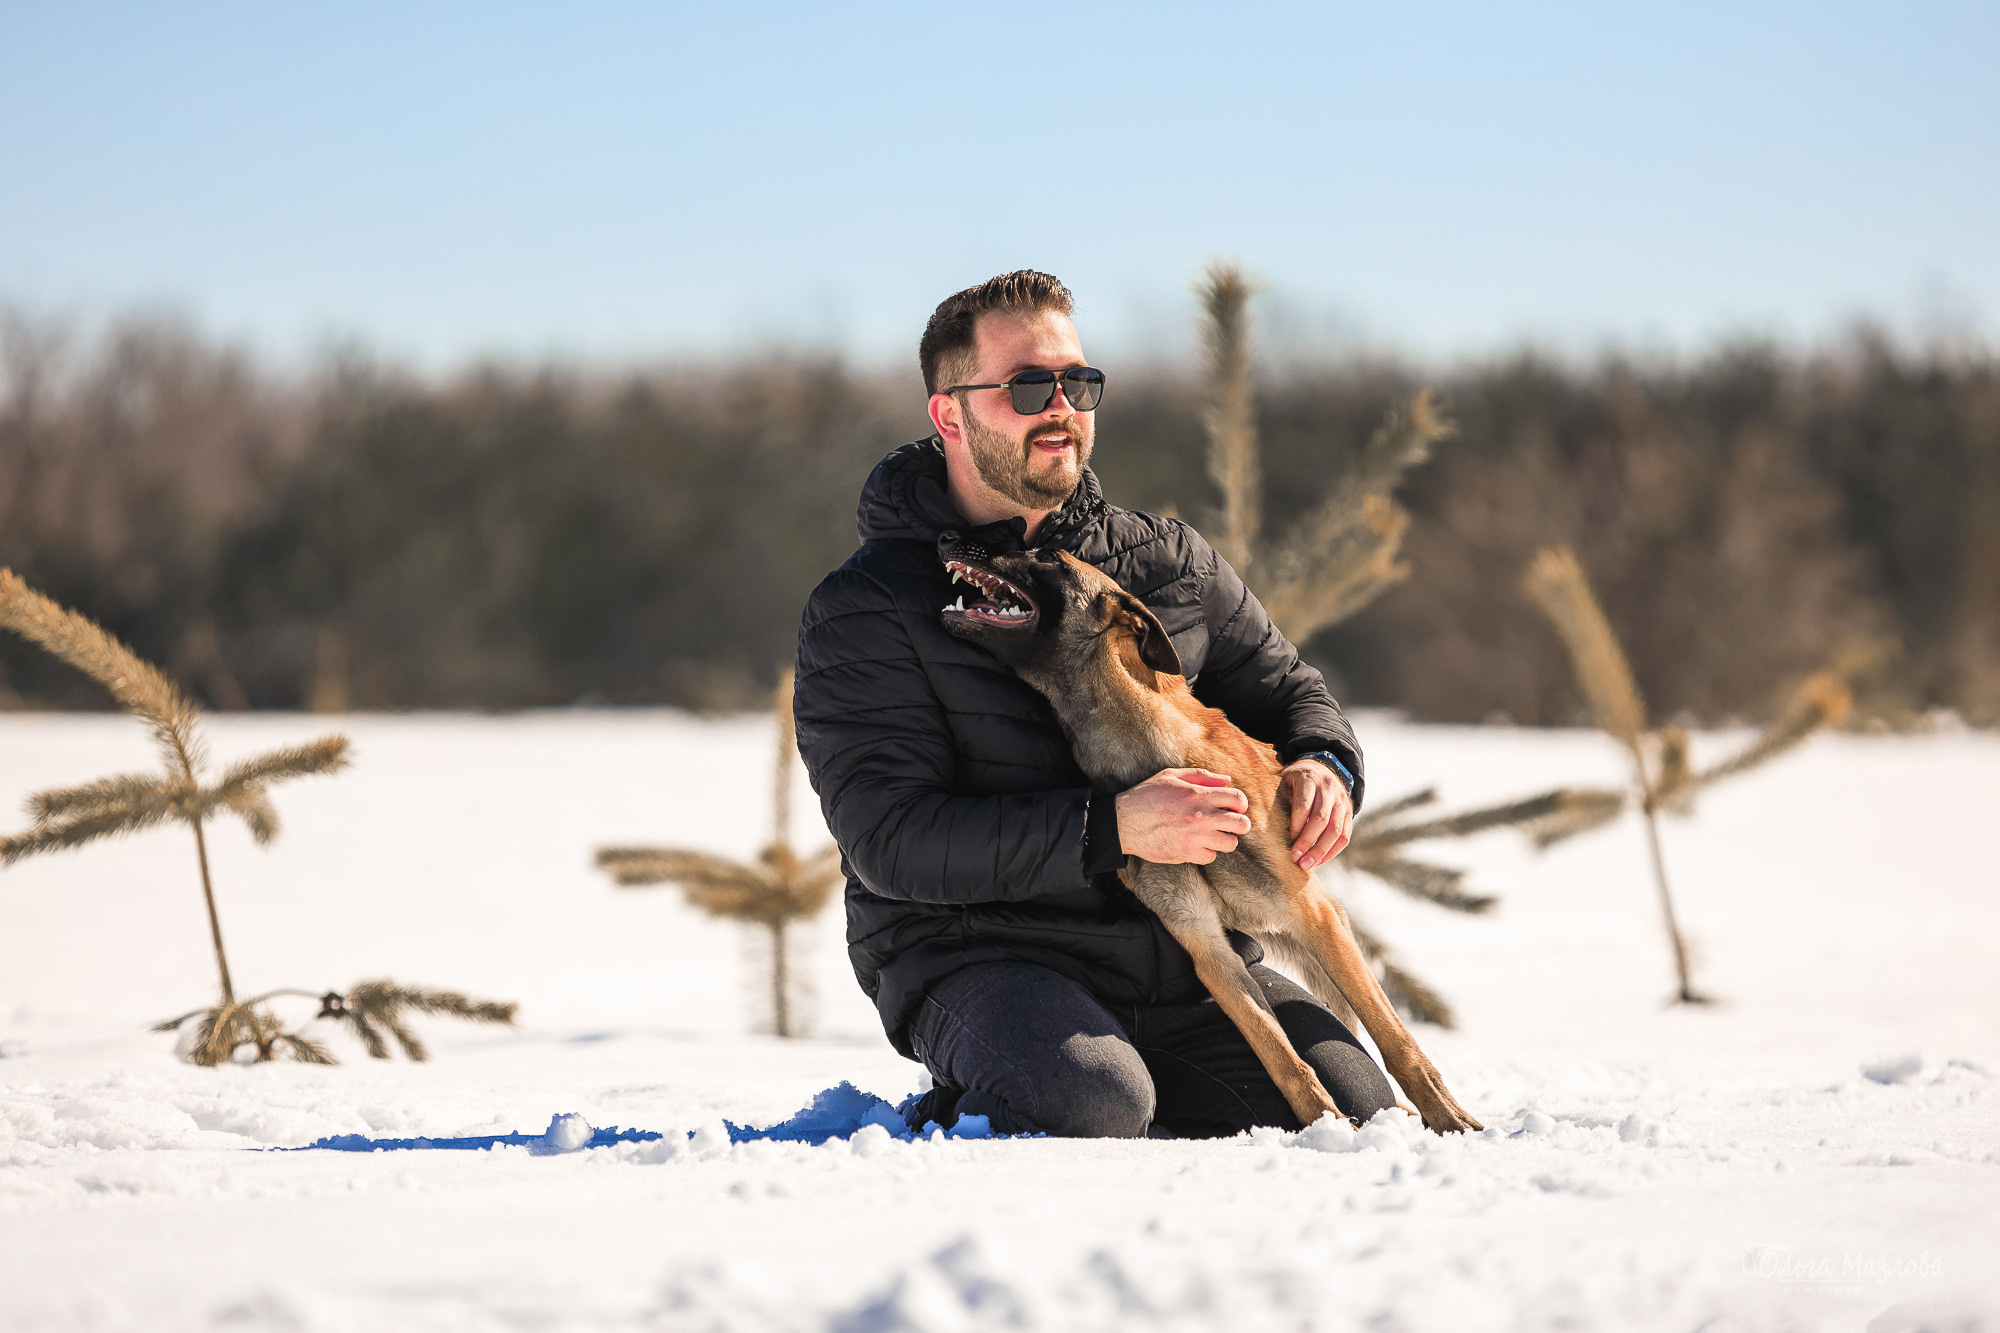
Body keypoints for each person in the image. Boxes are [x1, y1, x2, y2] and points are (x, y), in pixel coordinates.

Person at [794, 271, 1398, 1138]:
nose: (1063, 409)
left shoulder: (1166, 564)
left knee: (1352, 1112)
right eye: (1029, 386)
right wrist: (1109, 828)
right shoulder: (869, 607)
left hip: (1189, 959)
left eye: (1078, 384)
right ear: (949, 415)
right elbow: (892, 840)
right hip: (986, 957)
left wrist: (1324, 764)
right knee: (1092, 1098)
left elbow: (1291, 693)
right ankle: (954, 1114)